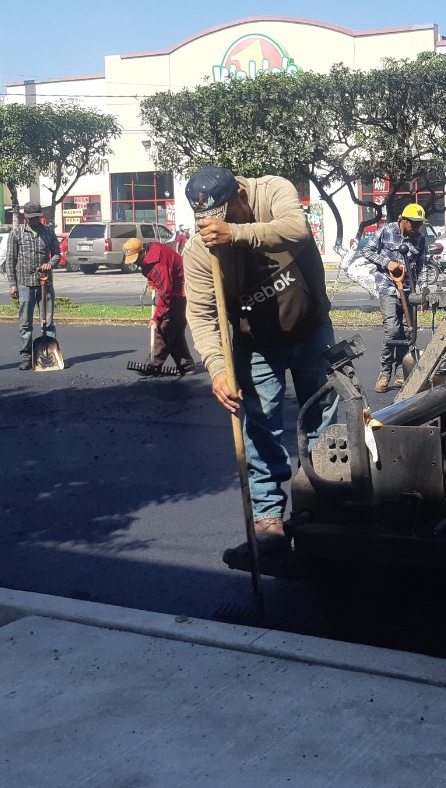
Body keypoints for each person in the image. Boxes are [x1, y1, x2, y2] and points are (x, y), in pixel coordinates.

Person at [183, 166, 335, 548]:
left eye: (225, 216)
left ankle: (320, 502)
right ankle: (268, 517)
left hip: (311, 329)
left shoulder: (272, 191)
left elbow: (297, 229)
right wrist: (218, 369)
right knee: (261, 428)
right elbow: (202, 317)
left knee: (322, 421)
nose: (214, 229)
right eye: (207, 222)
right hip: (257, 344)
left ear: (240, 195)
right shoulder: (200, 250)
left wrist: (236, 233)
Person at [360, 202, 428, 393]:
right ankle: (385, 372)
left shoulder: (420, 239)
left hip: (409, 291)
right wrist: (387, 262)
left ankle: (401, 371)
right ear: (404, 220)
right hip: (388, 287)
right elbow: (366, 251)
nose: (417, 227)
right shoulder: (386, 231)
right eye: (414, 223)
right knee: (392, 330)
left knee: (408, 333)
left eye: (419, 224)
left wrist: (422, 293)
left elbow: (422, 267)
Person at [122, 236, 196, 376]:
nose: (137, 263)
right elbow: (152, 275)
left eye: (137, 258)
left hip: (179, 294)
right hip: (176, 290)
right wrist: (152, 284)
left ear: (143, 251)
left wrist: (156, 318)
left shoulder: (159, 265)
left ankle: (152, 365)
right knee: (174, 332)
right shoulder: (152, 250)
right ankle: (186, 366)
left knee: (163, 328)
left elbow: (165, 295)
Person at [5, 200, 60, 370]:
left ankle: (49, 353)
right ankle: (26, 356)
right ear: (25, 217)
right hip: (25, 284)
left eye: (37, 217)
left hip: (45, 284)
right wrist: (12, 285)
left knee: (48, 321)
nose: (35, 221)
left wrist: (50, 263)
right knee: (25, 322)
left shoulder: (48, 232)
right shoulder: (16, 234)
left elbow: (57, 253)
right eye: (31, 218)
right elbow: (10, 261)